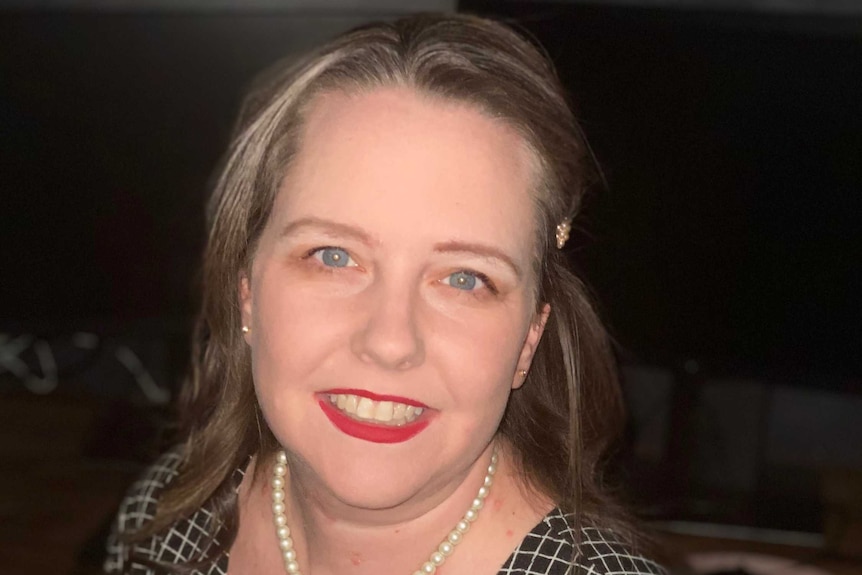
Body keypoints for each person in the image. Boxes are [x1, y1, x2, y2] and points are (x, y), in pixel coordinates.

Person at [105, 12, 666, 575]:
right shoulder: (165, 522)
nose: (390, 341)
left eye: (464, 278)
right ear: (246, 289)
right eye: (333, 257)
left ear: (529, 339)